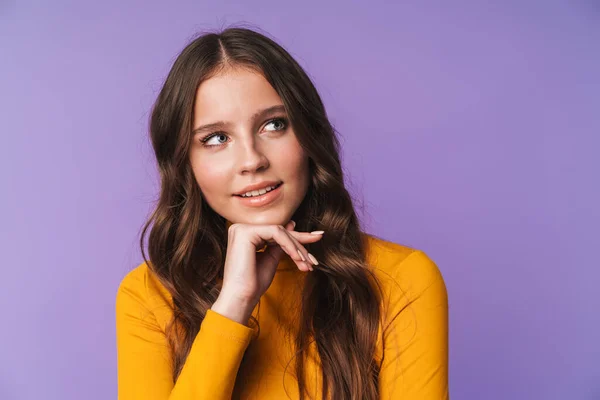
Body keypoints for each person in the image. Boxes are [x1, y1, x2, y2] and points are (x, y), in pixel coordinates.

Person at [115, 26, 449, 400]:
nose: (252, 160)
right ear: (184, 163)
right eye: (215, 138)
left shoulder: (400, 279)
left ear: (309, 135)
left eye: (274, 125)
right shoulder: (149, 296)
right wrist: (235, 302)